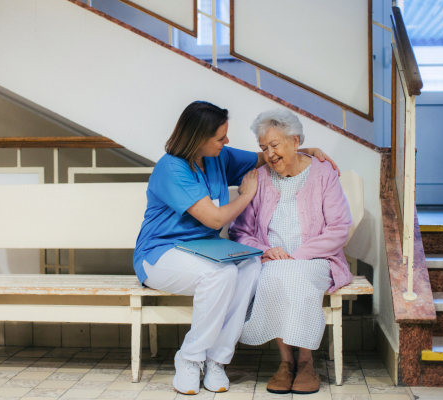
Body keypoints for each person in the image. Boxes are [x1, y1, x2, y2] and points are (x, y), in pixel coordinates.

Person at [133, 101, 337, 395]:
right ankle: (190, 358)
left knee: (252, 266)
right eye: (220, 138)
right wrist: (246, 195)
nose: (226, 141)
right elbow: (215, 217)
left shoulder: (218, 157)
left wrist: (308, 151)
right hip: (162, 253)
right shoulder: (171, 168)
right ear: (198, 138)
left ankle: (217, 360)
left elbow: (266, 155)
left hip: (207, 251)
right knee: (221, 276)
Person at [229, 108, 352, 395]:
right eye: (263, 148)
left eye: (275, 145)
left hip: (316, 258)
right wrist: (265, 249)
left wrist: (298, 255)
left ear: (295, 142)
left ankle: (306, 362)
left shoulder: (323, 172)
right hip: (273, 260)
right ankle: (286, 363)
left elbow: (339, 228)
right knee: (274, 276)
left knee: (296, 276)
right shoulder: (258, 177)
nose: (269, 154)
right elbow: (239, 232)